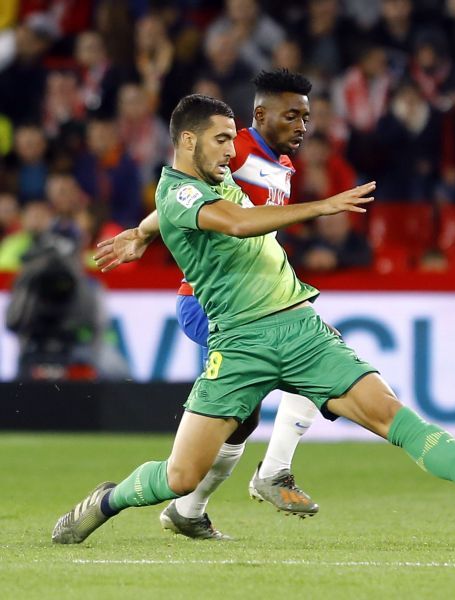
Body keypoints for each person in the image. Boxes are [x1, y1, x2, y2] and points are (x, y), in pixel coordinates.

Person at [51, 94, 455, 545]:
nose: (230, 150)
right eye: (221, 139)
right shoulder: (177, 191)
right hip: (239, 344)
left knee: (387, 411)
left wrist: (141, 231)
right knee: (180, 476)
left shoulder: (211, 182)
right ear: (187, 140)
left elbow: (172, 214)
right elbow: (237, 223)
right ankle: (108, 500)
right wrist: (322, 207)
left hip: (300, 328)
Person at [92, 70, 331, 540]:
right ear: (261, 115)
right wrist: (141, 233)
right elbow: (183, 192)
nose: (303, 125)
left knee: (245, 415)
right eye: (292, 115)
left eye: (306, 116)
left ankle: (189, 509)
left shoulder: (277, 162)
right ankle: (271, 474)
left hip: (251, 301)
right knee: (311, 363)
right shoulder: (237, 147)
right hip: (208, 302)